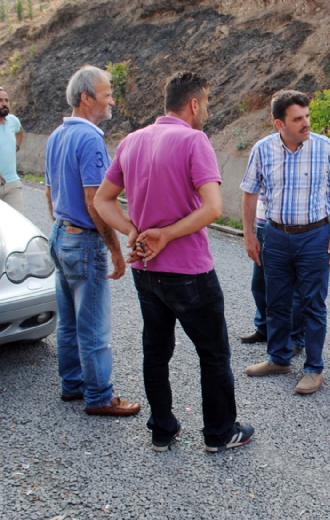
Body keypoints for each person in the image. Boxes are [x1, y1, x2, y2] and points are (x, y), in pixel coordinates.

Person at [94, 71, 254, 453]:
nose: (206, 111)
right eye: (207, 103)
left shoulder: (131, 141)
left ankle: (162, 430)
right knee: (213, 353)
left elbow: (102, 201)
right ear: (194, 103)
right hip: (189, 271)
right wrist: (165, 234)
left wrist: (132, 230)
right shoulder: (194, 140)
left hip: (146, 271)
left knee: (156, 350)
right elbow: (214, 208)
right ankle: (219, 433)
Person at [240, 90, 330, 395]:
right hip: (275, 235)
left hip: (315, 236)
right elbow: (249, 192)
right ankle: (278, 358)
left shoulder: (325, 147)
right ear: (279, 123)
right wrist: (249, 234)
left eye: (307, 116)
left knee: (313, 303)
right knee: (276, 299)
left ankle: (314, 369)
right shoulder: (262, 150)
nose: (306, 123)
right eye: (298, 118)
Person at [45, 65, 140, 418]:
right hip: (83, 241)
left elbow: (49, 190)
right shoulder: (89, 139)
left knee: (69, 320)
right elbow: (95, 200)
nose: (111, 100)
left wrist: (59, 227)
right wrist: (116, 249)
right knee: (94, 326)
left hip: (60, 233)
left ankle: (72, 384)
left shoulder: (57, 135)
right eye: (106, 94)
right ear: (87, 99)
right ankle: (99, 396)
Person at [240, 191, 305, 357]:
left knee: (295, 290)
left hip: (290, 229)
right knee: (259, 283)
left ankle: (294, 338)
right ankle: (264, 328)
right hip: (264, 225)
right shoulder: (262, 163)